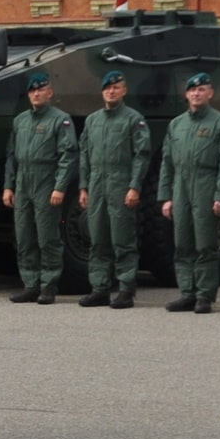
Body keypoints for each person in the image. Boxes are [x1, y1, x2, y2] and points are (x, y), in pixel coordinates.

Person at [157, 72, 220, 314]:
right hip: (180, 186)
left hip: (206, 185)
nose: (196, 94)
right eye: (192, 90)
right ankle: (187, 293)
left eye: (202, 90)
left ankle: (204, 296)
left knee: (206, 245)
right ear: (186, 94)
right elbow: (167, 162)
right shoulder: (176, 124)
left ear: (210, 93)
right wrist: (166, 197)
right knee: (182, 244)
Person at [0, 72, 77, 304]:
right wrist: (8, 186)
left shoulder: (60, 120)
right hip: (23, 181)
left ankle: (49, 285)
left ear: (49, 92)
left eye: (40, 90)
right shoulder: (20, 121)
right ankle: (30, 284)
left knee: (47, 237)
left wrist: (60, 187)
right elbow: (12, 156)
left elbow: (68, 155)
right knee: (24, 237)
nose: (36, 94)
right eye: (32, 91)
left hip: (46, 180)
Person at [76, 70, 150, 309]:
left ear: (124, 91)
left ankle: (126, 289)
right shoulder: (93, 120)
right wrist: (84, 186)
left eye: (116, 87)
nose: (111, 91)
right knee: (97, 239)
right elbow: (85, 155)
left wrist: (134, 186)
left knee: (122, 240)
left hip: (121, 183)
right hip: (97, 184)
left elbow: (141, 155)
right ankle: (99, 288)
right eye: (108, 88)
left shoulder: (133, 119)